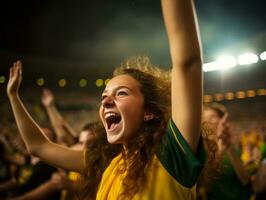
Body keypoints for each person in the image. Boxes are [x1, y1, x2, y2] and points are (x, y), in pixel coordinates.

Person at [7, 0, 205, 199]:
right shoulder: (110, 163)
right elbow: (39, 146)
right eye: (104, 97)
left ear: (149, 111)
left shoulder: (171, 156)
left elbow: (187, 64)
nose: (106, 101)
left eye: (121, 93)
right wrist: (13, 96)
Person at [201, 103, 253, 200]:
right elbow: (203, 181)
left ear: (222, 120)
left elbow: (246, 180)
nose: (208, 120)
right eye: (204, 117)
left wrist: (228, 146)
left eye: (212, 116)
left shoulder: (233, 148)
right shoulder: (201, 150)